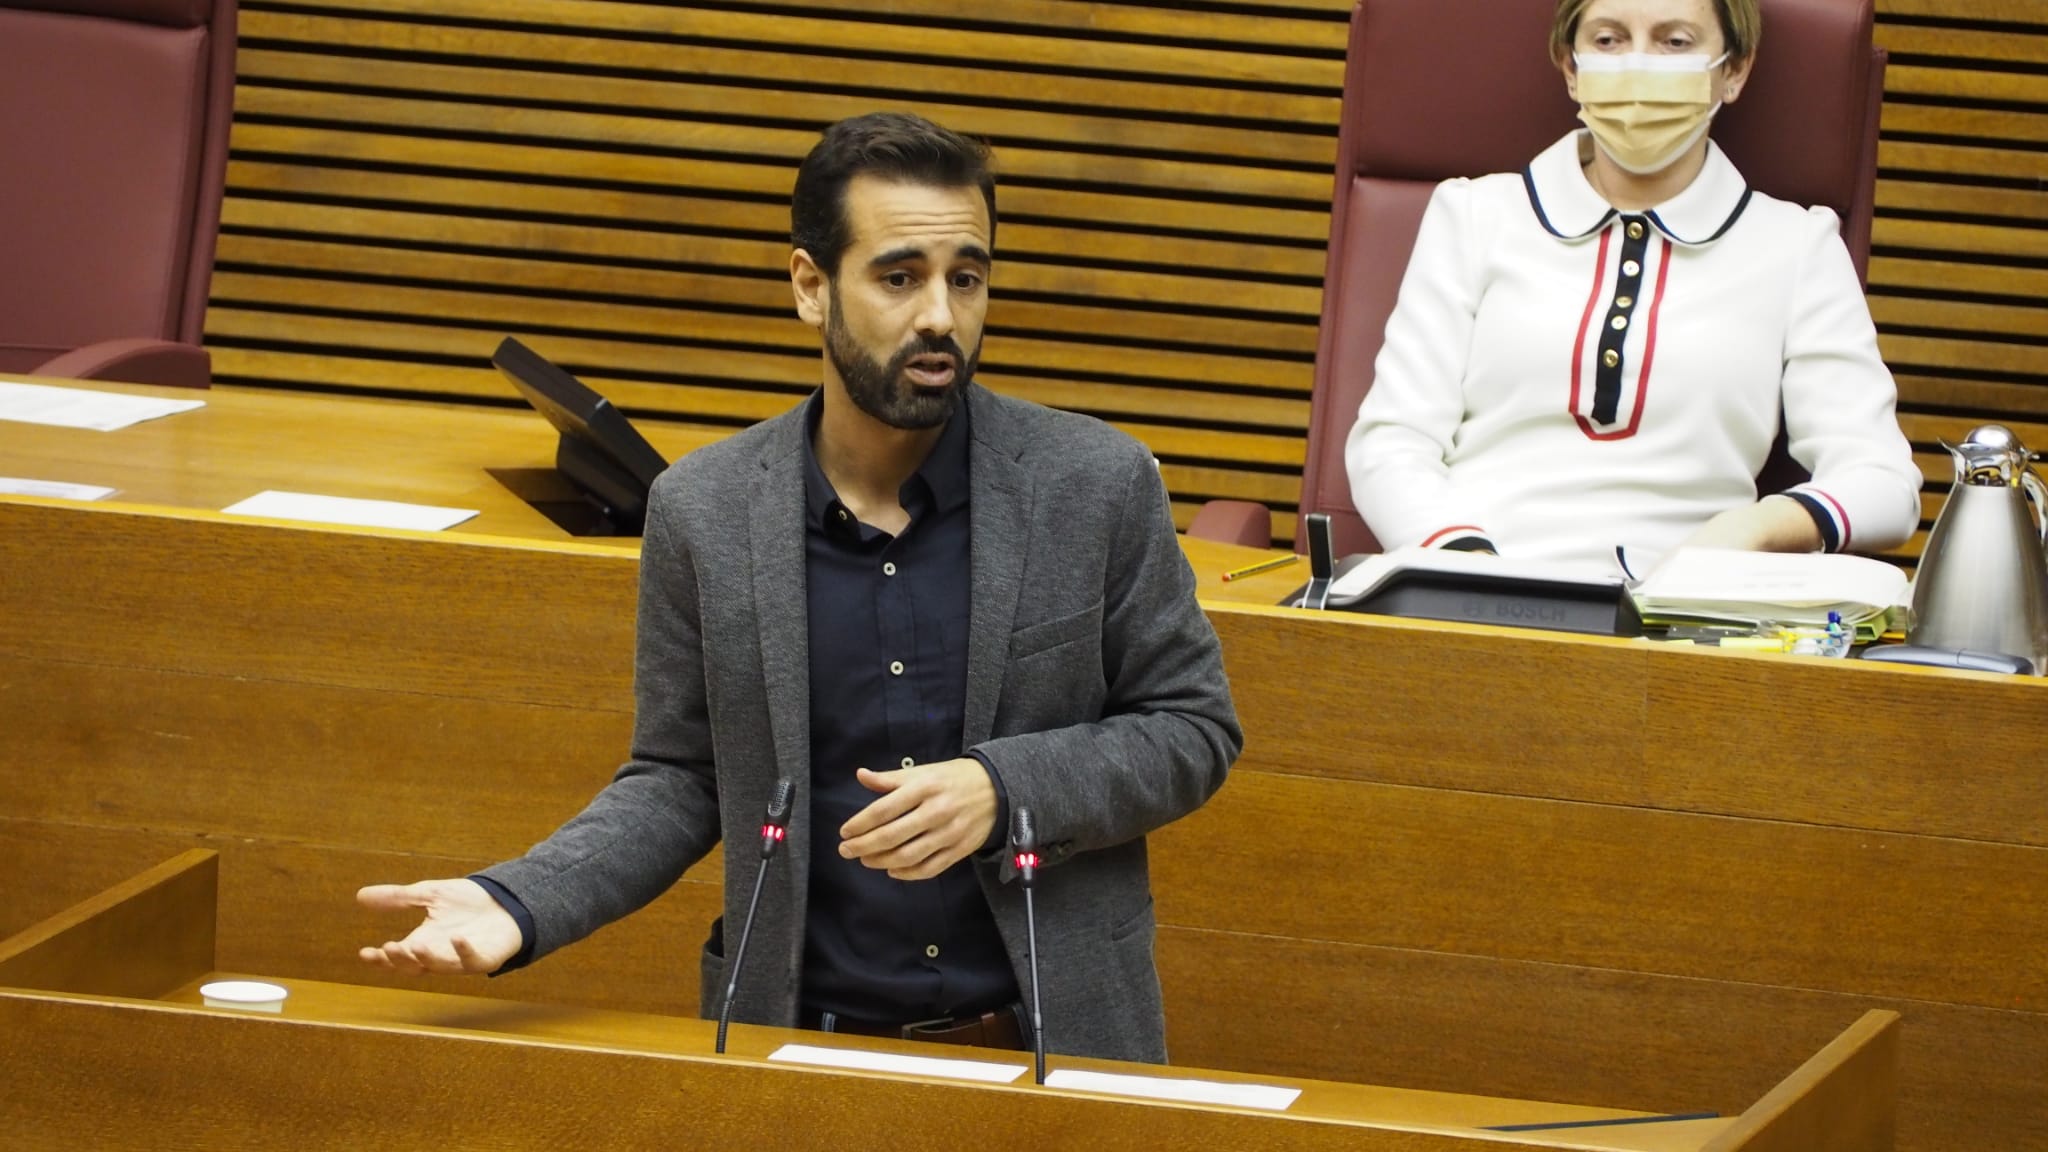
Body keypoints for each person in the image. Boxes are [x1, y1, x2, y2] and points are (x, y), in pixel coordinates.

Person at [355, 112, 1242, 1065]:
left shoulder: (1095, 484)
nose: (940, 314)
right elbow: (683, 777)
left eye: (967, 277)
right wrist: (522, 899)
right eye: (899, 277)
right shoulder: (704, 509)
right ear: (811, 287)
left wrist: (1004, 786)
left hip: (1050, 1052)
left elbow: (1193, 727)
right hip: (796, 1059)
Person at [1346, 0, 1921, 572]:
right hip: (1468, 593)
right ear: (1570, 68)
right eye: (1608, 40)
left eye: (1674, 43)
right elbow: (1391, 445)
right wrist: (1468, 566)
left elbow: (1883, 481)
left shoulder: (1799, 246)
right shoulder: (1472, 214)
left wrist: (1752, 531)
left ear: (1733, 70)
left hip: (1682, 616)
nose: (1638, 67)